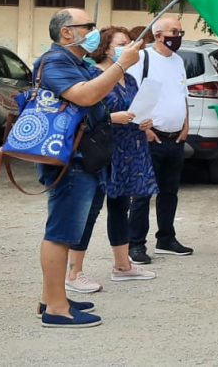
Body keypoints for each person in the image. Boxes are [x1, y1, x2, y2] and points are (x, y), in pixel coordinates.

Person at [33, 8, 143, 328]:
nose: (94, 31)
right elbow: (85, 96)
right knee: (60, 234)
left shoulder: (77, 63)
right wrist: (121, 64)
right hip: (71, 159)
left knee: (65, 233)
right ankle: (56, 310)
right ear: (67, 32)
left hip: (85, 157)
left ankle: (52, 298)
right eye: (88, 26)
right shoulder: (55, 61)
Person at [64, 27, 158, 294]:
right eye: (121, 43)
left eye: (129, 43)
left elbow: (135, 109)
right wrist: (112, 118)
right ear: (106, 48)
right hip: (101, 150)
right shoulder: (93, 76)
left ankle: (122, 265)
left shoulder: (130, 79)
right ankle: (74, 272)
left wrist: (145, 122)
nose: (128, 47)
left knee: (120, 207)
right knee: (90, 210)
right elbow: (84, 113)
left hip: (128, 150)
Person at [128, 17, 193, 264]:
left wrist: (185, 126)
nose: (178, 36)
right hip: (150, 137)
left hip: (175, 139)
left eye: (180, 32)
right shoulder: (142, 58)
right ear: (157, 35)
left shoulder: (178, 61)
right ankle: (136, 244)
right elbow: (131, 95)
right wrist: (144, 130)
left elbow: (182, 95)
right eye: (174, 32)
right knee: (143, 194)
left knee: (169, 192)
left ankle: (166, 238)